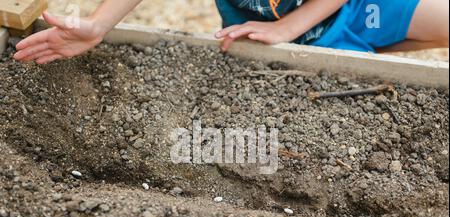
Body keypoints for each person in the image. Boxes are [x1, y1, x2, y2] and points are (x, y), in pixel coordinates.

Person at [13, 0, 449, 65]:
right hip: (272, 43)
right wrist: (97, 25)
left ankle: (370, 46)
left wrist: (287, 26)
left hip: (356, 9)